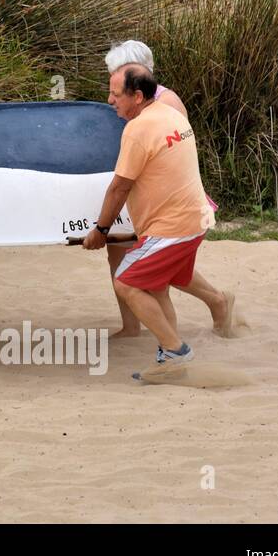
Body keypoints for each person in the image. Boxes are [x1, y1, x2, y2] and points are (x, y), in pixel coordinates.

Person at [83, 67, 216, 375]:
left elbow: (119, 187)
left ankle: (175, 351)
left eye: (116, 95)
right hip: (197, 220)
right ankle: (171, 358)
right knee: (155, 287)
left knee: (126, 283)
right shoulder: (173, 116)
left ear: (138, 96)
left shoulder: (138, 129)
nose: (110, 100)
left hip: (172, 229)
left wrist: (101, 231)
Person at [101, 40, 236, 337]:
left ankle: (187, 331)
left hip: (170, 203)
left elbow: (173, 157)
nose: (111, 89)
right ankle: (136, 327)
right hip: (150, 198)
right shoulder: (135, 102)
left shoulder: (164, 104)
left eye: (118, 73)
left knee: (156, 275)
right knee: (130, 258)